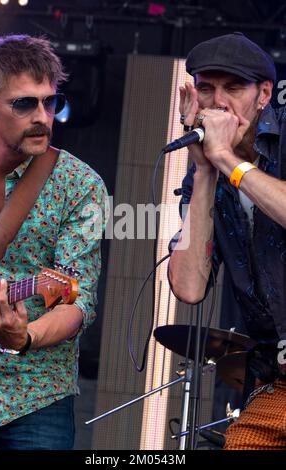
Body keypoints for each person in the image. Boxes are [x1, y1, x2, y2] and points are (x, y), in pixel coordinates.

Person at [0, 35, 107, 450]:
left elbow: (78, 301)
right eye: (24, 104)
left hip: (35, 395)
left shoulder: (80, 186)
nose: (43, 116)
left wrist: (25, 337)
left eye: (50, 102)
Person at [168, 32, 286, 450]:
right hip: (274, 382)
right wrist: (203, 174)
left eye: (233, 88)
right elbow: (188, 287)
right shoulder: (208, 166)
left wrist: (228, 162)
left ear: (264, 95)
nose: (217, 102)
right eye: (206, 88)